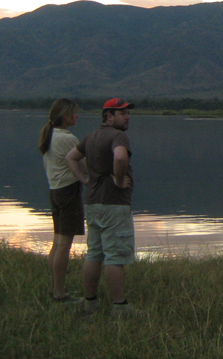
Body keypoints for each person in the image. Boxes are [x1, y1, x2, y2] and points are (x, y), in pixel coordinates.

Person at [65, 98, 136, 316]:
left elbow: (71, 157)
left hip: (93, 202)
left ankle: (90, 303)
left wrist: (84, 180)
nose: (127, 117)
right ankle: (119, 306)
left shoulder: (92, 137)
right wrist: (118, 179)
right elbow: (121, 156)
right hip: (114, 204)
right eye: (121, 113)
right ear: (109, 116)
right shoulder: (118, 136)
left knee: (94, 253)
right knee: (115, 256)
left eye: (127, 113)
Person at [39, 98, 83, 303]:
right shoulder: (67, 139)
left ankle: (56, 288)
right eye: (74, 112)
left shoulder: (51, 135)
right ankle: (59, 293)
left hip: (55, 191)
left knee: (58, 242)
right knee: (64, 244)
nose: (77, 115)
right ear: (65, 115)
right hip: (68, 192)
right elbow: (84, 163)